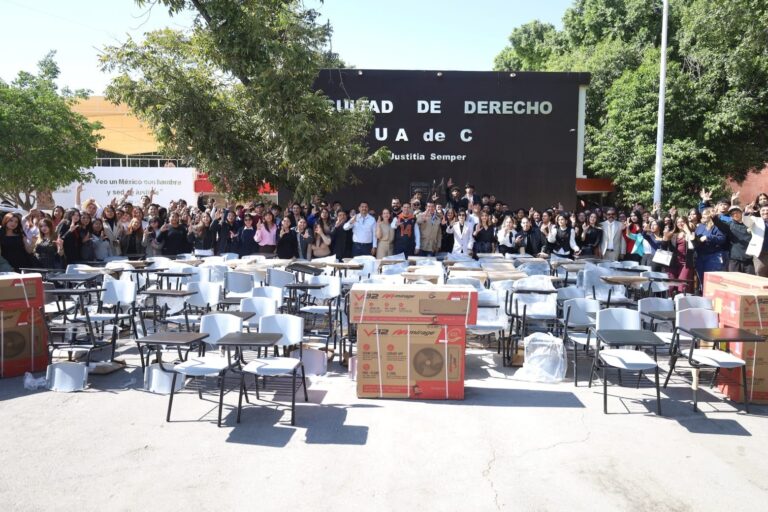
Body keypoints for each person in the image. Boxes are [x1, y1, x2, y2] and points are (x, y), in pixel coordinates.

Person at [713, 205, 753, 274]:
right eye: (732, 214)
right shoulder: (729, 225)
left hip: (749, 259)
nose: (735, 214)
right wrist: (714, 217)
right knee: (734, 281)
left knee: (750, 281)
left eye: (737, 212)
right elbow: (719, 224)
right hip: (735, 259)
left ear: (741, 213)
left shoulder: (750, 224)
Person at [693, 207, 727, 281]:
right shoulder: (700, 226)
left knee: (711, 281)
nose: (702, 216)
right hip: (700, 257)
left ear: (710, 215)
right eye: (702, 214)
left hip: (713, 257)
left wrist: (708, 237)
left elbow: (722, 239)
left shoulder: (717, 226)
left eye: (705, 214)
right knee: (702, 281)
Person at [663, 216, 695, 293]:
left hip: (686, 263)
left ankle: (682, 302)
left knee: (682, 285)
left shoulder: (691, 233)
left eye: (682, 222)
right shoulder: (673, 234)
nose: (680, 223)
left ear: (686, 222)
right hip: (674, 262)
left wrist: (687, 231)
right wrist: (665, 237)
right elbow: (664, 247)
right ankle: (672, 302)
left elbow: (694, 244)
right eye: (678, 222)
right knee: (671, 286)